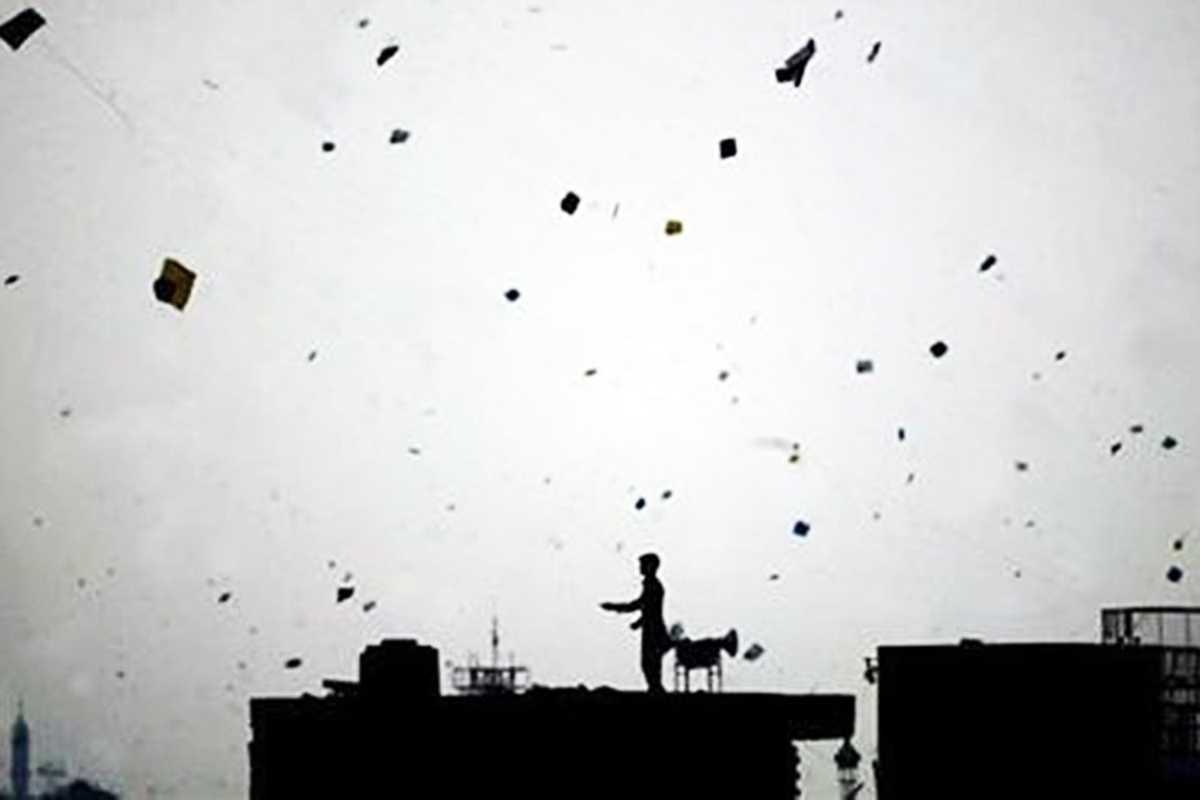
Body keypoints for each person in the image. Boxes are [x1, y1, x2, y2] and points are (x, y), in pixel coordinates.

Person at [600, 553, 672, 693]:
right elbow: (646, 607)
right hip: (652, 629)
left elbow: (645, 608)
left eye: (643, 564)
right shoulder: (652, 585)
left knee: (650, 665)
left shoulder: (653, 586)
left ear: (651, 566)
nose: (640, 568)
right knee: (650, 666)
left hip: (653, 631)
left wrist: (615, 608)